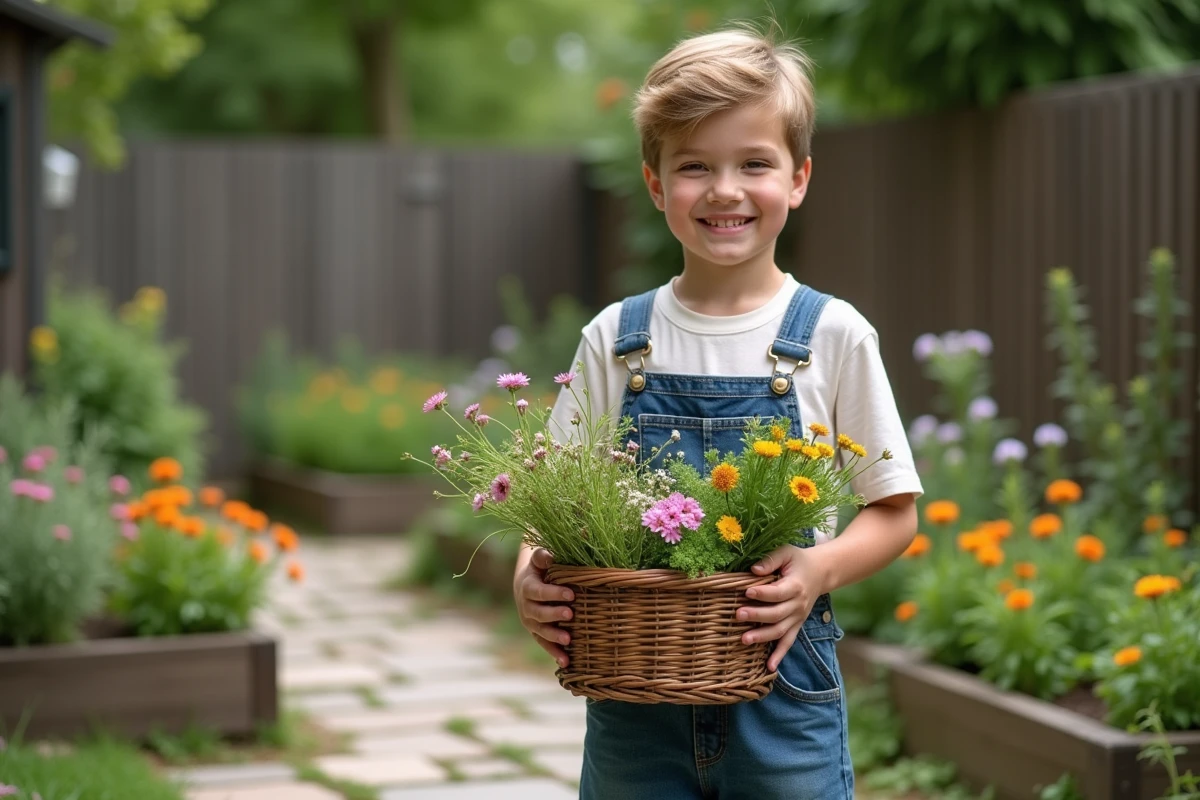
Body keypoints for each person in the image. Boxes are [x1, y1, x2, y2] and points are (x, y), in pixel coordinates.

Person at [513, 22, 923, 799]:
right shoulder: (617, 338)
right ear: (656, 184)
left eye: (754, 164)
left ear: (798, 179)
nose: (726, 189)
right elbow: (550, 500)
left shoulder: (832, 334)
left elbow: (894, 512)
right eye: (695, 165)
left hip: (784, 685)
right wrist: (524, 578)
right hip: (634, 696)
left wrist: (817, 568)